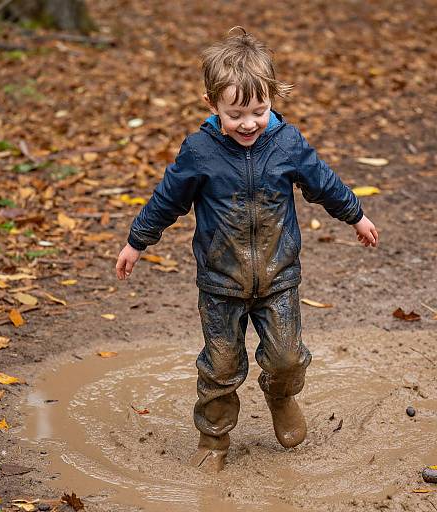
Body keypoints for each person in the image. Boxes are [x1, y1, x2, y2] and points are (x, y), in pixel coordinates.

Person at [115, 27, 378, 473]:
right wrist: (137, 241)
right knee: (219, 367)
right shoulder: (199, 151)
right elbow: (167, 199)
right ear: (212, 105)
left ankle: (280, 396)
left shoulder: (287, 143)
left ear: (272, 99)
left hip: (279, 278)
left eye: (260, 110)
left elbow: (324, 183)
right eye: (236, 113)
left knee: (288, 358)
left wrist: (355, 215)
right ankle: (214, 439)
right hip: (221, 282)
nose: (250, 123)